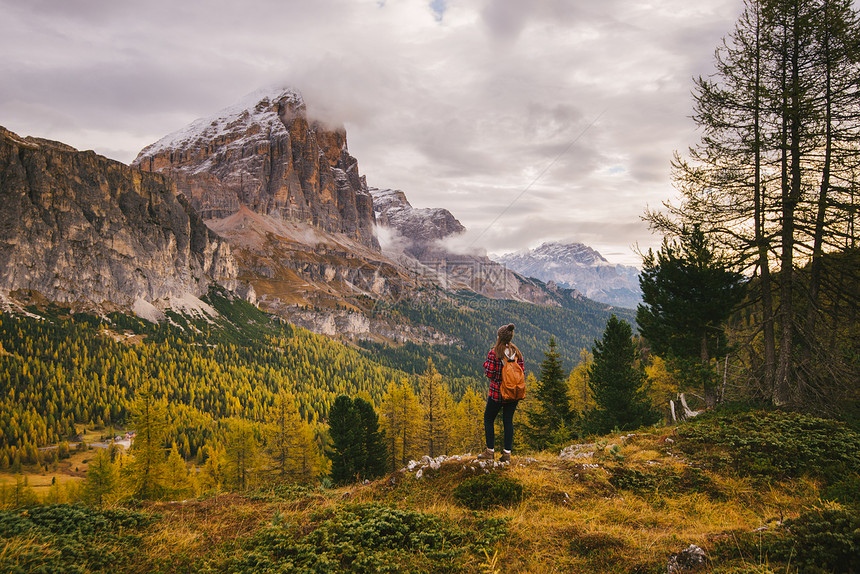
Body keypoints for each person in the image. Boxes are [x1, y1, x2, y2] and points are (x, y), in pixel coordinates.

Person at [477, 323, 524, 463]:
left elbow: (490, 374)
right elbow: (521, 372)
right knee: (508, 421)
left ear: (499, 337)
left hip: (498, 393)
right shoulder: (517, 352)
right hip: (513, 393)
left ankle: (490, 452)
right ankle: (507, 454)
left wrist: (486, 365)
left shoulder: (494, 352)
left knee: (488, 419)